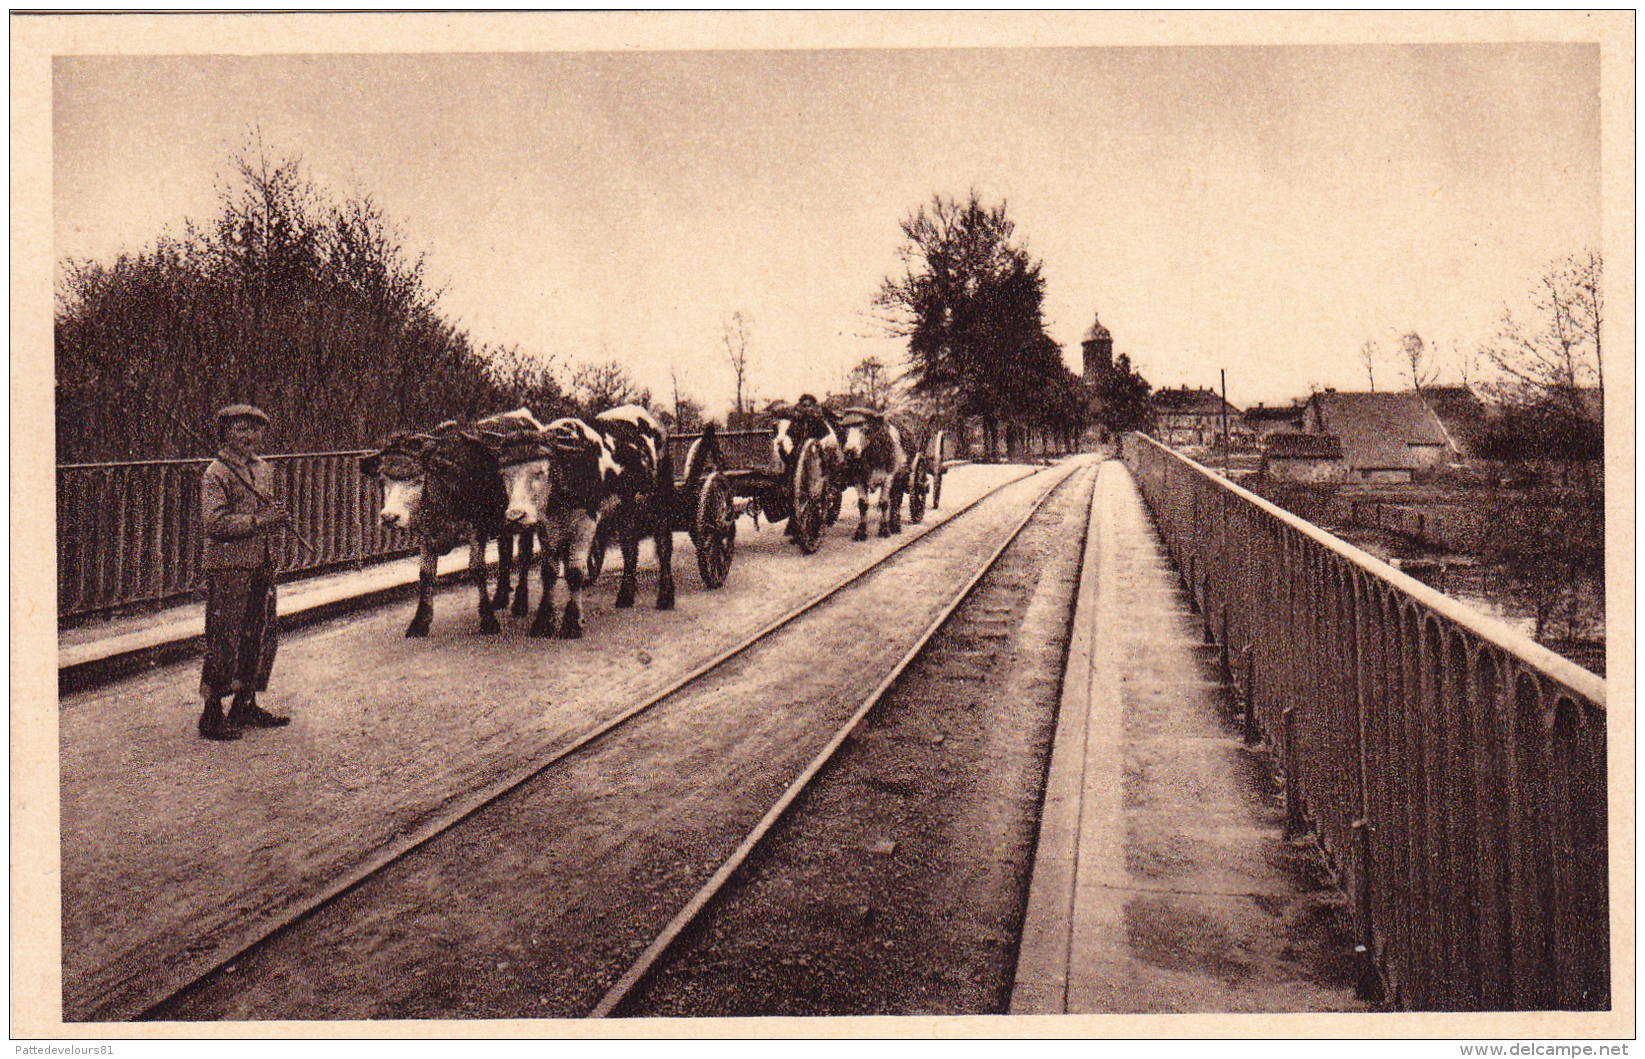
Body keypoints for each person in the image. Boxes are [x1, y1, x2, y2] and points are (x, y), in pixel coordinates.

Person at [198, 404, 291, 741]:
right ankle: (211, 713)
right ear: (226, 434)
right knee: (225, 636)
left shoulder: (265, 470)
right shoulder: (216, 473)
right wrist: (258, 522)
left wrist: (274, 524)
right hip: (229, 566)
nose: (249, 437)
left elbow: (267, 512)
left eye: (254, 430)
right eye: (240, 430)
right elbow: (214, 523)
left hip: (261, 563)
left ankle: (245, 701)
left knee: (260, 633)